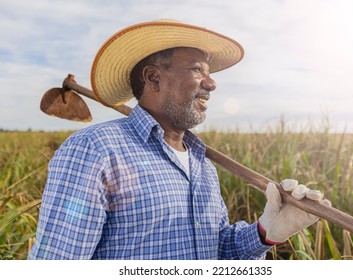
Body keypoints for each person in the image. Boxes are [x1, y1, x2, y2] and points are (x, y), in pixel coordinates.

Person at [28, 20, 330, 260]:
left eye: (208, 72)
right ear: (154, 78)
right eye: (197, 69)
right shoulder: (95, 150)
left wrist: (267, 232)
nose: (211, 83)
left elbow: (214, 253)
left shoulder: (202, 163)